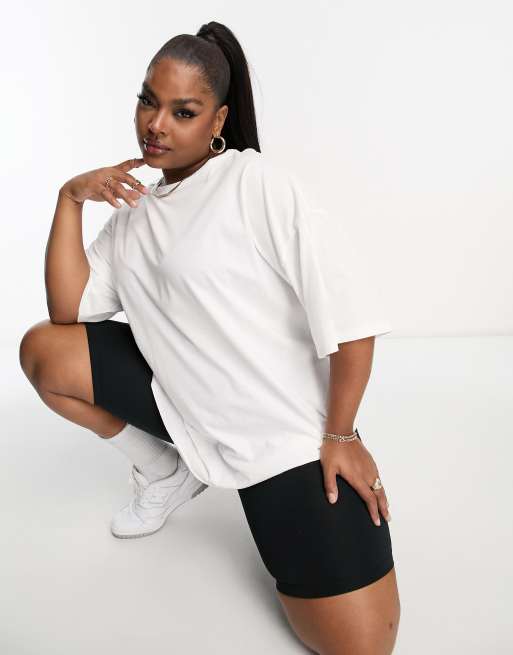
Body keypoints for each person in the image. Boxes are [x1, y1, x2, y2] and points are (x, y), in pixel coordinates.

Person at [19, 21, 401, 655]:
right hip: (194, 415)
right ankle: (165, 471)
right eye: (148, 102)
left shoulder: (254, 183)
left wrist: (340, 434)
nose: (155, 125)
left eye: (183, 111)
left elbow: (352, 319)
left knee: (361, 644)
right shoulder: (135, 214)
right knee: (43, 350)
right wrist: (70, 197)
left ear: (218, 119)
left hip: (288, 445)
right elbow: (67, 311)